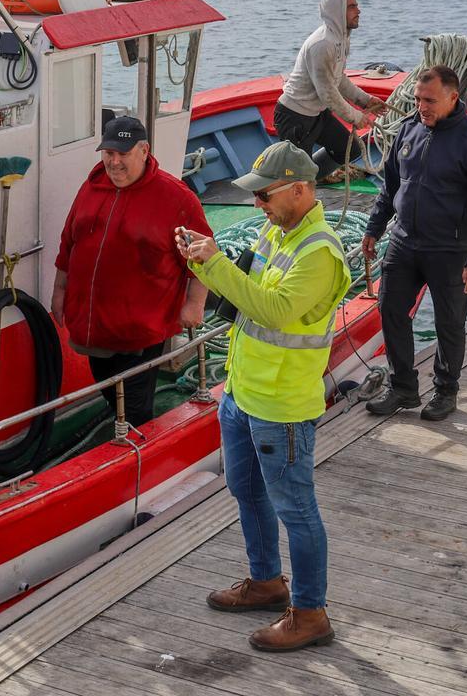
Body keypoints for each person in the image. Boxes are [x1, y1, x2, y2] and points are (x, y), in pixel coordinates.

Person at [177, 141, 351, 652]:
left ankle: (311, 612)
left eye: (266, 196)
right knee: (246, 490)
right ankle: (267, 582)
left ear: (300, 188)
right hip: (243, 390)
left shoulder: (319, 253)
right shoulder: (277, 230)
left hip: (282, 404)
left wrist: (215, 265)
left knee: (296, 508)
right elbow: (246, 300)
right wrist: (203, 263)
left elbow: (274, 311)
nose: (258, 206)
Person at [362, 65, 467, 421]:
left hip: (451, 249)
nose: (421, 106)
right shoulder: (408, 129)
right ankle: (402, 388)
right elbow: (390, 186)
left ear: (453, 98)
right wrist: (373, 228)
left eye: (429, 100)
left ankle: (445, 390)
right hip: (404, 242)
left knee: (449, 322)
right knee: (390, 310)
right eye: (417, 99)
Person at [52, 116, 211, 427]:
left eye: (123, 153)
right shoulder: (91, 186)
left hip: (141, 329)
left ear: (144, 150)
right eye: (109, 153)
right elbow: (68, 242)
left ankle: (140, 453)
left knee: (135, 405)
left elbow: (201, 255)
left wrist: (195, 304)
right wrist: (60, 291)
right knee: (109, 387)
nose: (114, 162)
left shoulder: (175, 197)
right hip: (93, 327)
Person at [274, 0, 389, 180]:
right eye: (352, 7)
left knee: (348, 150)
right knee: (297, 177)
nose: (359, 11)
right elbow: (327, 93)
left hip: (316, 114)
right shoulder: (322, 44)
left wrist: (365, 100)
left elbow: (339, 78)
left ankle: (312, 179)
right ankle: (302, 183)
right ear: (337, 12)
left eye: (357, 6)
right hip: (294, 116)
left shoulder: (341, 39)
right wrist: (355, 117)